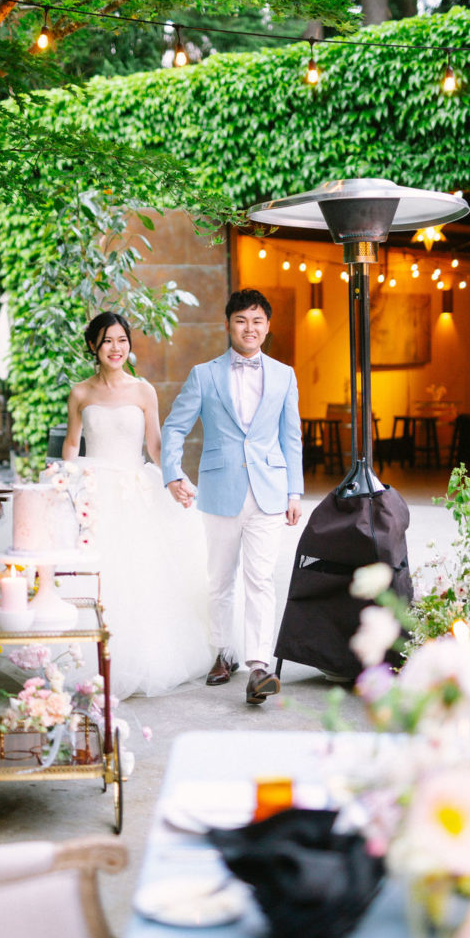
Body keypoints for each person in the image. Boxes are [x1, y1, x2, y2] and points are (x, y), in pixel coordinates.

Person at [161, 288, 303, 705]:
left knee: (260, 579)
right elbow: (174, 427)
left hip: (269, 492)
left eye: (257, 321)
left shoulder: (284, 375)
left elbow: (291, 437)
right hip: (220, 490)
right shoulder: (203, 375)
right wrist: (173, 473)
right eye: (241, 320)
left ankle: (259, 667)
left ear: (268, 326)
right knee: (221, 579)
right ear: (228, 325)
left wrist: (295, 491)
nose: (249, 328)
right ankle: (224, 653)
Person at [60, 310, 213, 698]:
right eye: (107, 341)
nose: (116, 348)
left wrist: (174, 477)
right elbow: (71, 444)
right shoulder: (80, 393)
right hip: (94, 490)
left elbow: (155, 446)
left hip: (134, 490)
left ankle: (143, 661)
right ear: (93, 346)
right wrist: (64, 483)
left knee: (141, 573)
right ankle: (85, 659)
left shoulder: (144, 391)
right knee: (97, 574)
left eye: (122, 340)